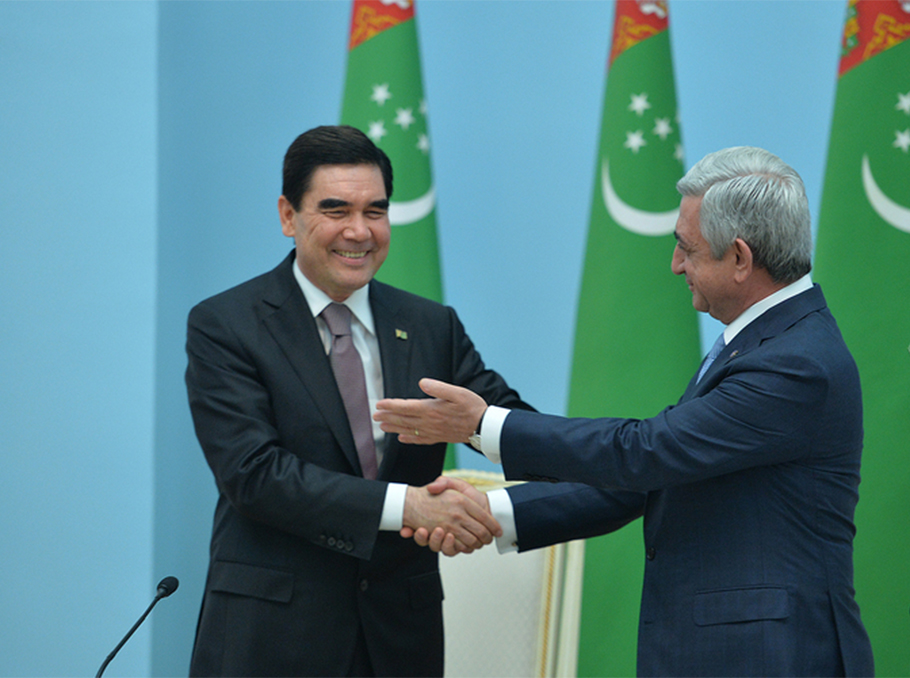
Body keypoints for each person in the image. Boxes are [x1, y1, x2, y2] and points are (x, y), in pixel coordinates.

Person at [375, 147, 875, 677]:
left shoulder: (794, 364)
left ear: (740, 259)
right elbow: (659, 476)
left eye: (687, 248)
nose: (676, 264)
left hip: (770, 660)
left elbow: (647, 452)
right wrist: (493, 514)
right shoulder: (759, 344)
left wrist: (480, 424)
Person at [184, 125, 532, 677]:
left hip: (398, 638)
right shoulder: (227, 324)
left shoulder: (429, 326)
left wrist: (626, 450)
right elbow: (254, 474)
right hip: (274, 636)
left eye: (375, 211)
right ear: (287, 216)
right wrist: (410, 507)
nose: (359, 231)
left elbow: (511, 426)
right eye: (336, 209)